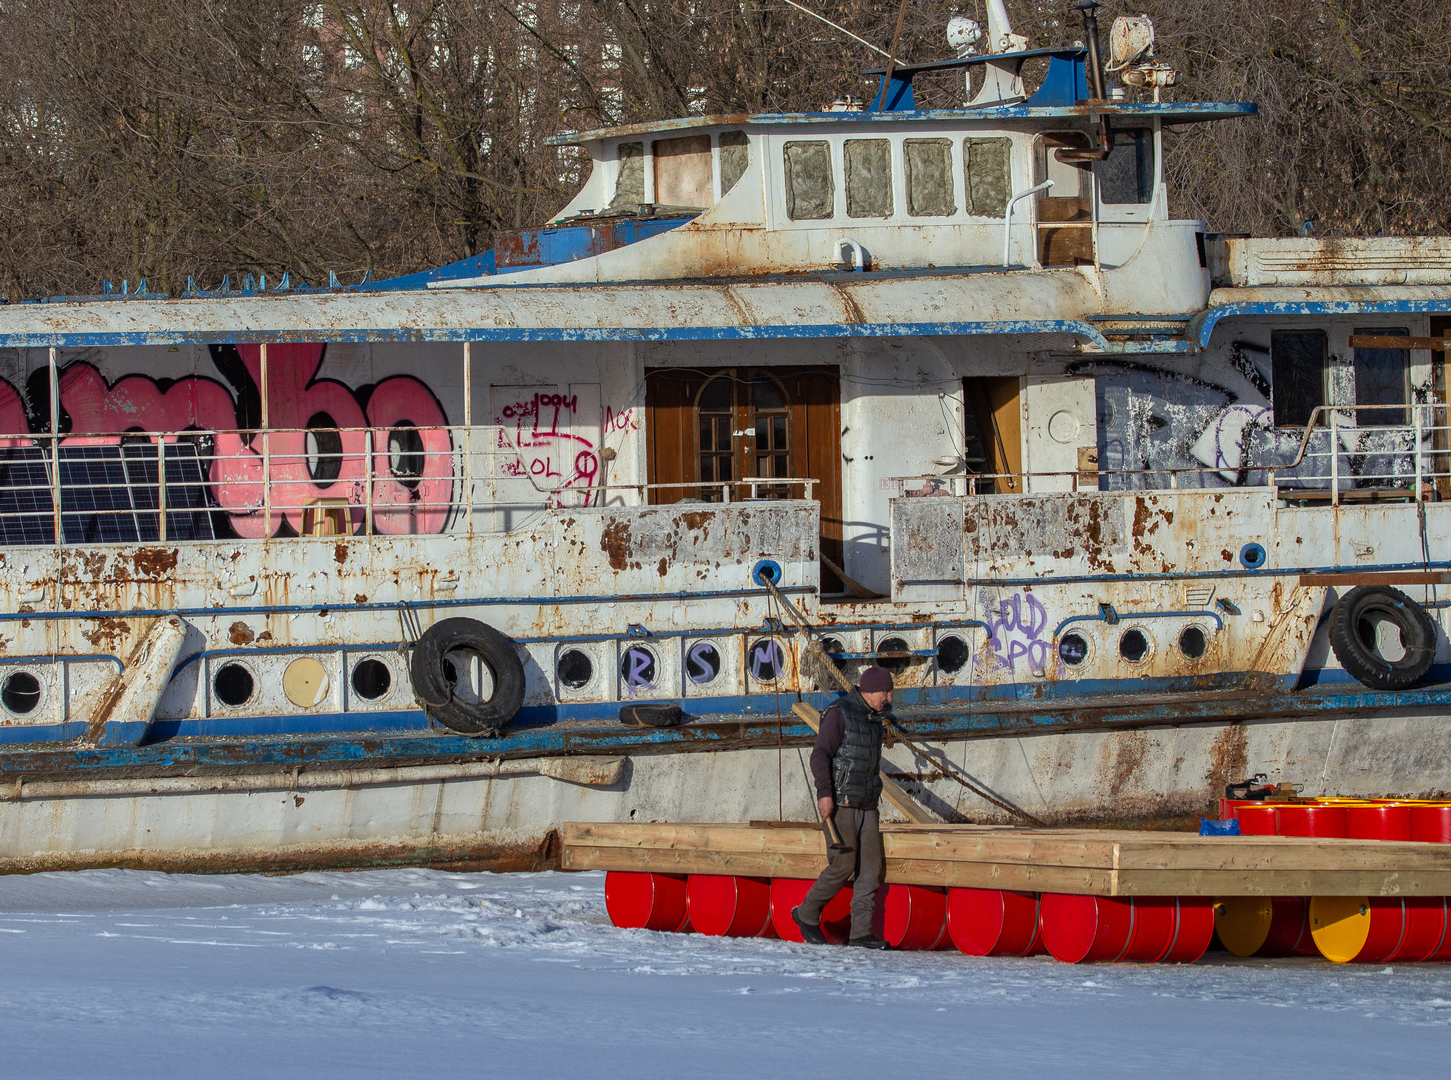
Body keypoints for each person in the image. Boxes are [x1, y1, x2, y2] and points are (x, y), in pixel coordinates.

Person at [792, 665, 894, 949]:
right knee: (843, 865)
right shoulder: (840, 713)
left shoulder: (874, 718)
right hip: (842, 804)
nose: (889, 698)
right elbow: (820, 755)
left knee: (870, 871)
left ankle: (861, 933)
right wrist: (825, 794)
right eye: (886, 692)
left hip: (867, 805)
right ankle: (806, 912)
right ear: (872, 691)